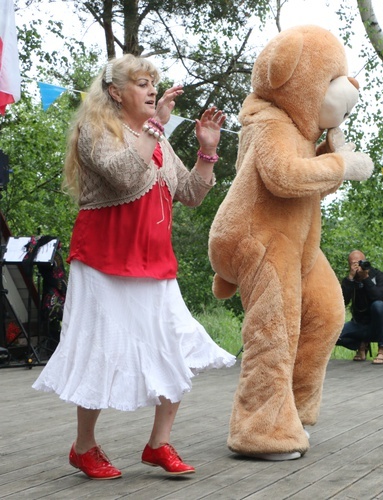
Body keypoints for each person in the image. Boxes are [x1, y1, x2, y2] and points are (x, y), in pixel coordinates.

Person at [31, 54, 235, 480]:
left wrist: (208, 151)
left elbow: (193, 194)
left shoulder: (158, 139)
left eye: (153, 84)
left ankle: (158, 443)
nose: (151, 91)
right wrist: (156, 125)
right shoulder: (95, 130)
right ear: (115, 91)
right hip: (102, 260)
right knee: (99, 350)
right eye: (142, 84)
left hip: (154, 263)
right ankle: (83, 448)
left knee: (175, 346)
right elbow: (124, 175)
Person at [336, 249, 383, 364]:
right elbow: (342, 303)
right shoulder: (349, 280)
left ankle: (382, 350)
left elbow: (380, 298)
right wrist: (351, 279)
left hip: (381, 324)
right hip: (359, 324)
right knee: (333, 335)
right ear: (350, 266)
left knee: (378, 305)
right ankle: (361, 345)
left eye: (361, 262)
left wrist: (366, 278)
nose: (359, 266)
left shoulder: (378, 275)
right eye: (354, 264)